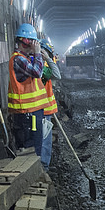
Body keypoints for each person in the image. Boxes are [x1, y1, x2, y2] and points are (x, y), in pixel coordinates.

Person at [7, 23, 47, 157]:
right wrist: (37, 54)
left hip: (32, 112)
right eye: (33, 42)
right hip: (27, 114)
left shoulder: (24, 58)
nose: (35, 45)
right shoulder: (18, 59)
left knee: (36, 146)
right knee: (31, 148)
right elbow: (37, 72)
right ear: (25, 41)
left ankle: (37, 172)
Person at [39, 36, 61, 169]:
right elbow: (57, 75)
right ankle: (43, 168)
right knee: (44, 142)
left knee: (44, 141)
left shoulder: (41, 67)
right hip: (40, 110)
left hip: (42, 109)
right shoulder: (39, 67)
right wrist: (46, 58)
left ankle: (43, 167)